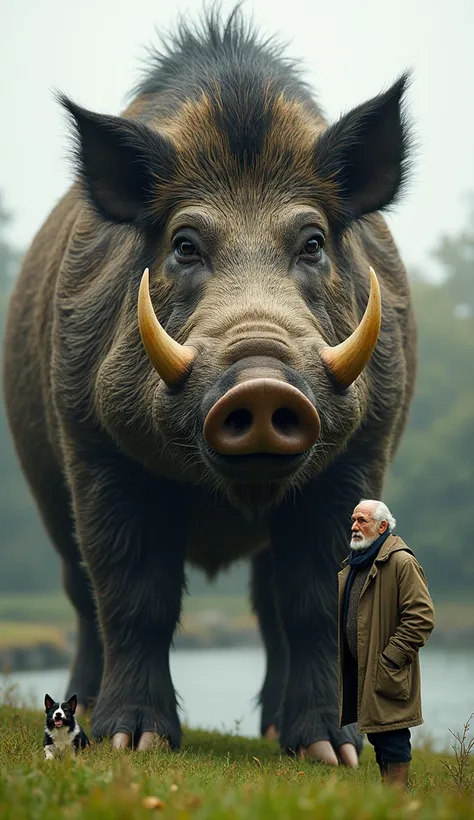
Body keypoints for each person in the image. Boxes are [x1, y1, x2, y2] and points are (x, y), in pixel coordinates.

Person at [338, 499, 435, 787]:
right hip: (364, 668)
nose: (355, 526)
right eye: (353, 520)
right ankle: (391, 802)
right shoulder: (357, 562)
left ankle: (398, 802)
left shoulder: (401, 561)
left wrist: (390, 658)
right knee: (378, 734)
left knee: (392, 734)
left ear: (382, 526)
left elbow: (421, 618)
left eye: (362, 520)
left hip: (386, 669)